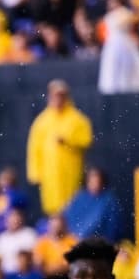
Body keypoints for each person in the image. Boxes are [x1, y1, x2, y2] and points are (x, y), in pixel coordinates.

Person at [25, 79, 92, 216]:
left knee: (72, 206)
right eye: (55, 96)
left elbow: (86, 141)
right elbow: (34, 149)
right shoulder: (42, 121)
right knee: (52, 208)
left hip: (71, 171)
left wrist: (68, 141)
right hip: (49, 173)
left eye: (61, 96)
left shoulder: (77, 119)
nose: (58, 100)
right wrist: (35, 173)